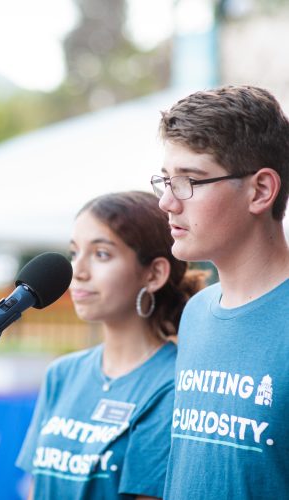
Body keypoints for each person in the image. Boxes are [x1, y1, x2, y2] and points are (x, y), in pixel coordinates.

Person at [16, 191, 206, 499]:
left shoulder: (175, 385)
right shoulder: (62, 374)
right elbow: (35, 487)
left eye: (101, 254)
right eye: (74, 253)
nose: (78, 271)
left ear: (154, 273)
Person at [151, 85, 289, 499]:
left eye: (189, 181)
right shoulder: (197, 312)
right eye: (165, 180)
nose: (165, 202)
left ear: (261, 191)